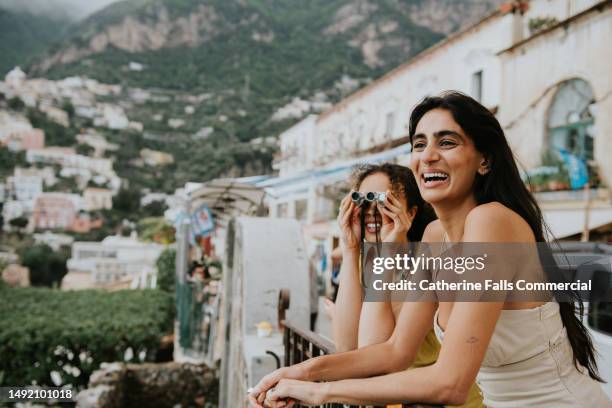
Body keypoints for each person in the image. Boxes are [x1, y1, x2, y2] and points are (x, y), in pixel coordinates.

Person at [248, 91, 611, 407]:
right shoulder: (436, 238)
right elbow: (393, 351)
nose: (428, 156)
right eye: (419, 145)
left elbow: (450, 383)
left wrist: (319, 392)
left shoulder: (492, 222)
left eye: (447, 142)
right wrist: (301, 371)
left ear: (484, 160)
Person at [325, 163, 483, 408]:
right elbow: (346, 348)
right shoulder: (365, 261)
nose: (371, 211)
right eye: (363, 201)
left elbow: (373, 349)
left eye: (383, 202)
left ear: (410, 212)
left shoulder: (428, 258)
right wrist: (349, 249)